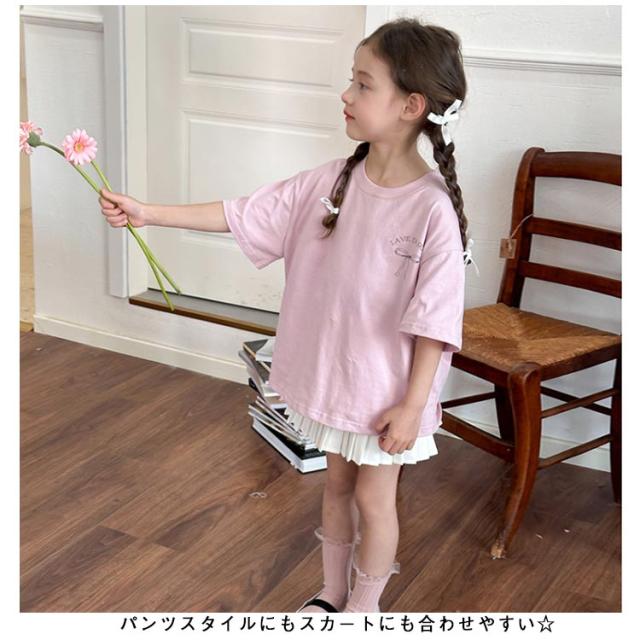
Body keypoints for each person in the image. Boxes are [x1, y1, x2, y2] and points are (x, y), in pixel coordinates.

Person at [98, 17, 478, 614]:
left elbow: (435, 322)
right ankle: (331, 595)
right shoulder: (331, 181)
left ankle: (364, 610)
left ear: (411, 106)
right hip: (337, 380)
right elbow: (243, 213)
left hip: (389, 392)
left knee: (375, 501)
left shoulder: (432, 211)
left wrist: (412, 406)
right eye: (351, 81)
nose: (346, 94)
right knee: (337, 486)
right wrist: (149, 213)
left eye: (363, 84)